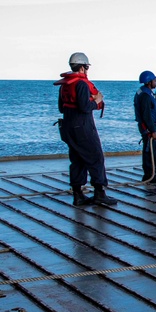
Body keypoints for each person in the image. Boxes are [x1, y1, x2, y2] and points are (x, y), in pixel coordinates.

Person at [54, 52, 117, 206]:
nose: (87, 70)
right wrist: (97, 101)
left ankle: (78, 194)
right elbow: (84, 107)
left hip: (68, 125)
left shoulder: (65, 85)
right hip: (82, 126)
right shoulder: (81, 84)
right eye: (87, 67)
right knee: (96, 157)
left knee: (77, 159)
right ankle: (99, 193)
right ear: (82, 68)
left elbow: (61, 108)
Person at [133, 70, 156, 184]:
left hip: (151, 126)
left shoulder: (146, 93)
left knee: (154, 149)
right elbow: (147, 115)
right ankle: (149, 174)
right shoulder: (145, 96)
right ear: (149, 82)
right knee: (149, 150)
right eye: (154, 80)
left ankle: (155, 171)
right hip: (148, 128)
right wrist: (152, 129)